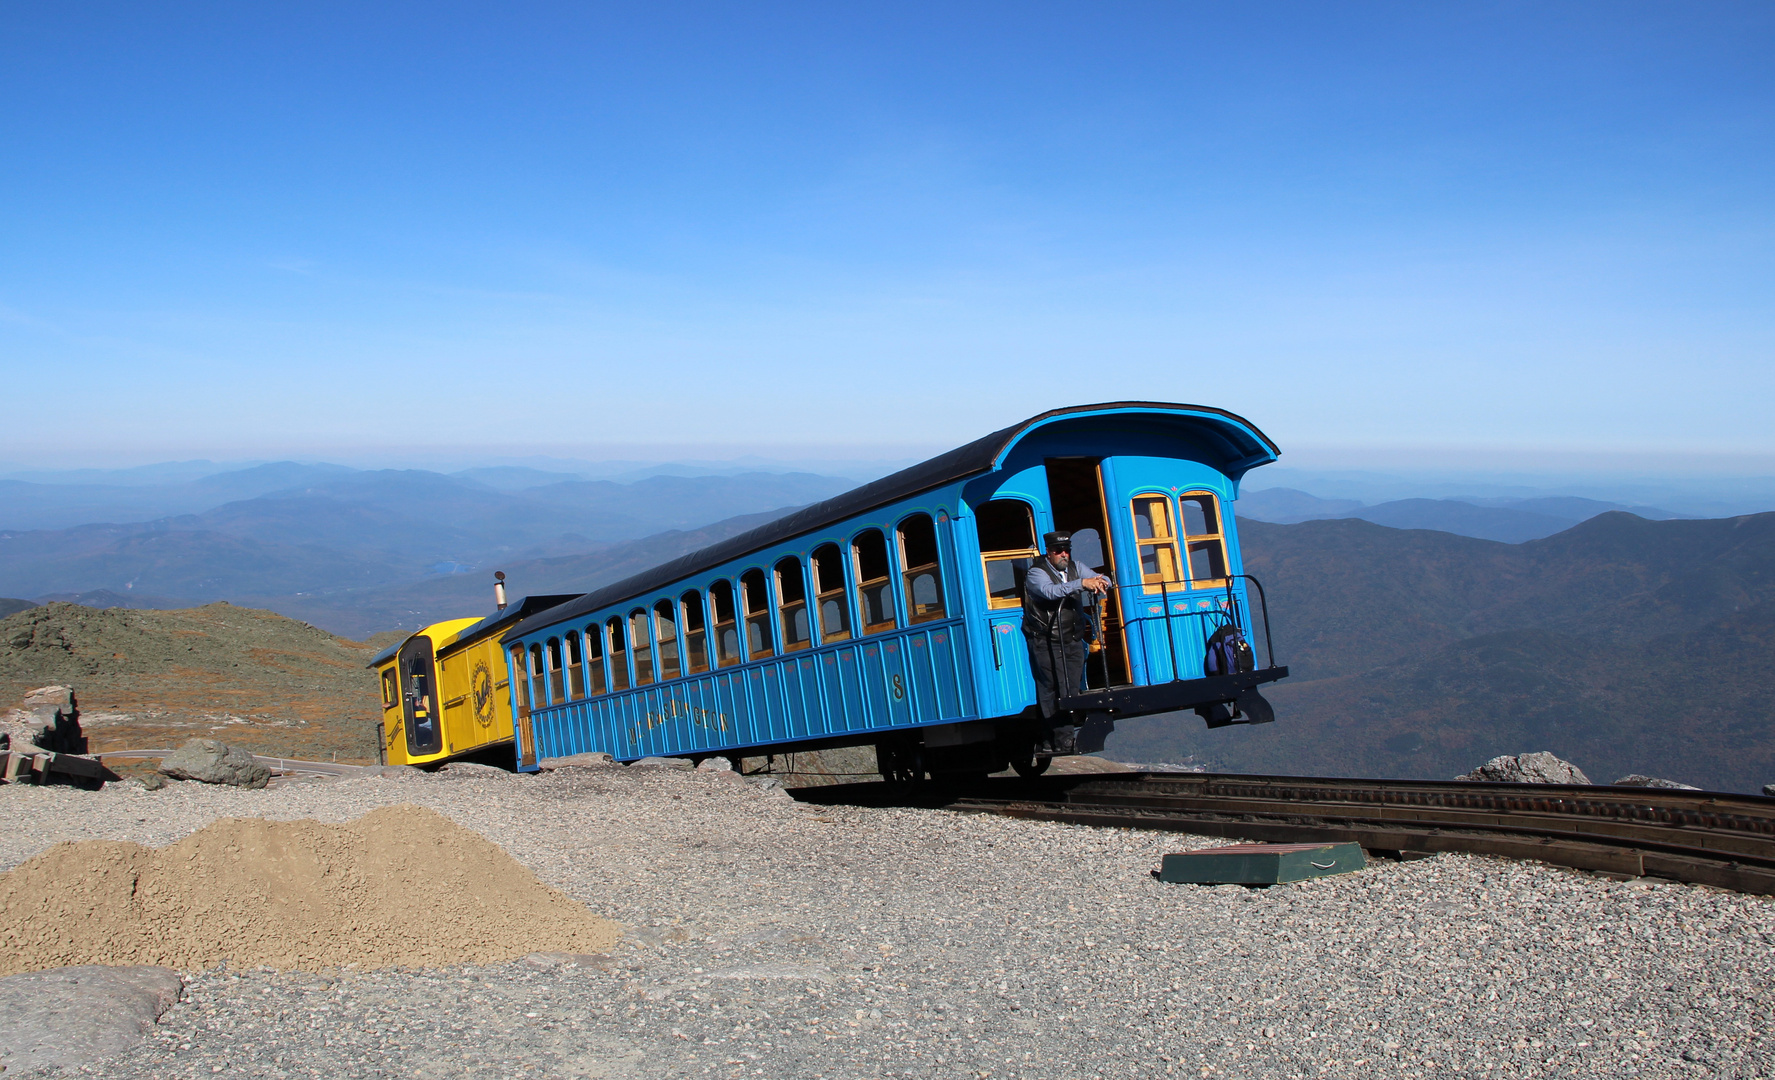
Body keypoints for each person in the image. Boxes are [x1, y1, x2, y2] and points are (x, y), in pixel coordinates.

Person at [1021, 531, 1111, 731]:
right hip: (1047, 640)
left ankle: (1071, 726)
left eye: (1067, 550)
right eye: (1058, 550)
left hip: (1072, 638)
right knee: (1051, 687)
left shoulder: (1076, 567)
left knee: (1072, 685)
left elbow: (1104, 580)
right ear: (1049, 552)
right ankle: (1057, 735)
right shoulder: (1036, 572)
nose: (1064, 554)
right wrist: (1081, 584)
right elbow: (1049, 591)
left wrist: (1100, 582)